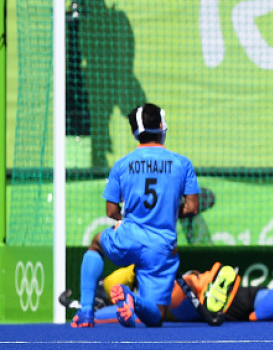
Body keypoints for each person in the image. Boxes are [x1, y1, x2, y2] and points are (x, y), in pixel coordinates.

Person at [71, 103, 200, 327]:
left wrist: (127, 218)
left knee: (96, 244)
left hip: (127, 237)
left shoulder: (121, 165)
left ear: (135, 132)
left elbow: (111, 211)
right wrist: (167, 211)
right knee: (157, 315)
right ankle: (132, 300)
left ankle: (85, 312)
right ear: (161, 126)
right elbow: (192, 208)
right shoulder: (182, 164)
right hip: (160, 248)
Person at [62, 244, 273, 325]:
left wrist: (91, 316)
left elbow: (111, 311)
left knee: (163, 301)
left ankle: (199, 288)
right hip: (223, 302)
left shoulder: (126, 276)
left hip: (183, 303)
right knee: (262, 309)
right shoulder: (142, 261)